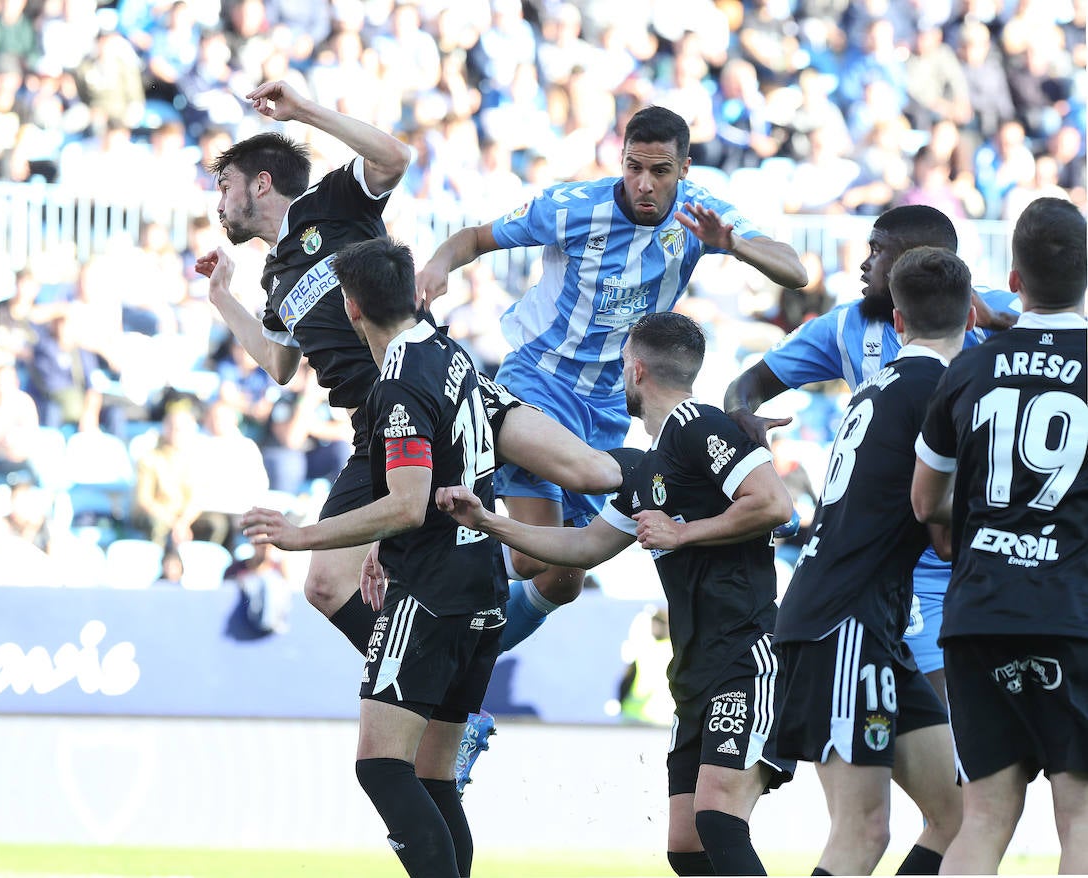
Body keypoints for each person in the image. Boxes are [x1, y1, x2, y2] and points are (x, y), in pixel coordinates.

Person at [195, 81, 626, 786]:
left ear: (260, 182)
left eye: (224, 183)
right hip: (385, 431)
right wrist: (223, 299)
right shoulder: (274, 277)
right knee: (326, 585)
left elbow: (395, 156)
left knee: (596, 477)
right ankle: (444, 706)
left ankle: (693, 476)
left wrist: (305, 110)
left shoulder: (328, 204)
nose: (218, 200)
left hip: (443, 384)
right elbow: (278, 364)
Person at [416, 104, 807, 657]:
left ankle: (459, 676)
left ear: (685, 168)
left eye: (660, 171)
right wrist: (436, 267)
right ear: (620, 160)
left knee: (563, 579)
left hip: (610, 403)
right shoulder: (572, 207)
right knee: (532, 557)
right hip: (539, 382)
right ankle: (424, 569)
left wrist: (731, 245)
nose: (644, 184)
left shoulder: (703, 217)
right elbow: (475, 238)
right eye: (633, 167)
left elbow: (797, 271)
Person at [438, 312, 796, 876]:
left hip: (747, 653)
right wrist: (490, 522)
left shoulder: (699, 423)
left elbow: (775, 504)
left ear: (635, 368)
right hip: (698, 665)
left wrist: (683, 533)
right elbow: (581, 547)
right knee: (686, 844)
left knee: (719, 821)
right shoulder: (644, 467)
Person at [241, 239, 505, 878]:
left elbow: (408, 503)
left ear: (352, 309)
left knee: (382, 768)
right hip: (481, 583)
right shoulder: (450, 353)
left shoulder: (395, 387)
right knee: (434, 778)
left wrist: (303, 536)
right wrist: (383, 549)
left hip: (432, 593)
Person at [724, 204, 1019, 702]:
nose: (863, 265)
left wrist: (1006, 326)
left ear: (915, 260)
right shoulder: (848, 326)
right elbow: (748, 382)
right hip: (912, 558)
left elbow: (1067, 341)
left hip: (992, 547)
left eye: (876, 251)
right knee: (951, 724)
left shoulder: (990, 312)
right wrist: (742, 412)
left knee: (989, 730)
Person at [772, 247, 976, 875]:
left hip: (866, 621)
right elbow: (941, 530)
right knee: (863, 830)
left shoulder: (876, 387)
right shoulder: (943, 393)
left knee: (957, 817)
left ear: (896, 320)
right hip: (846, 624)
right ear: (971, 316)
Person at [910, 197, 1087, 874]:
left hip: (978, 612)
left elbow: (926, 499)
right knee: (1080, 815)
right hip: (1068, 613)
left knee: (984, 815)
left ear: (1012, 277)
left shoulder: (971, 367)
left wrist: (976, 523)